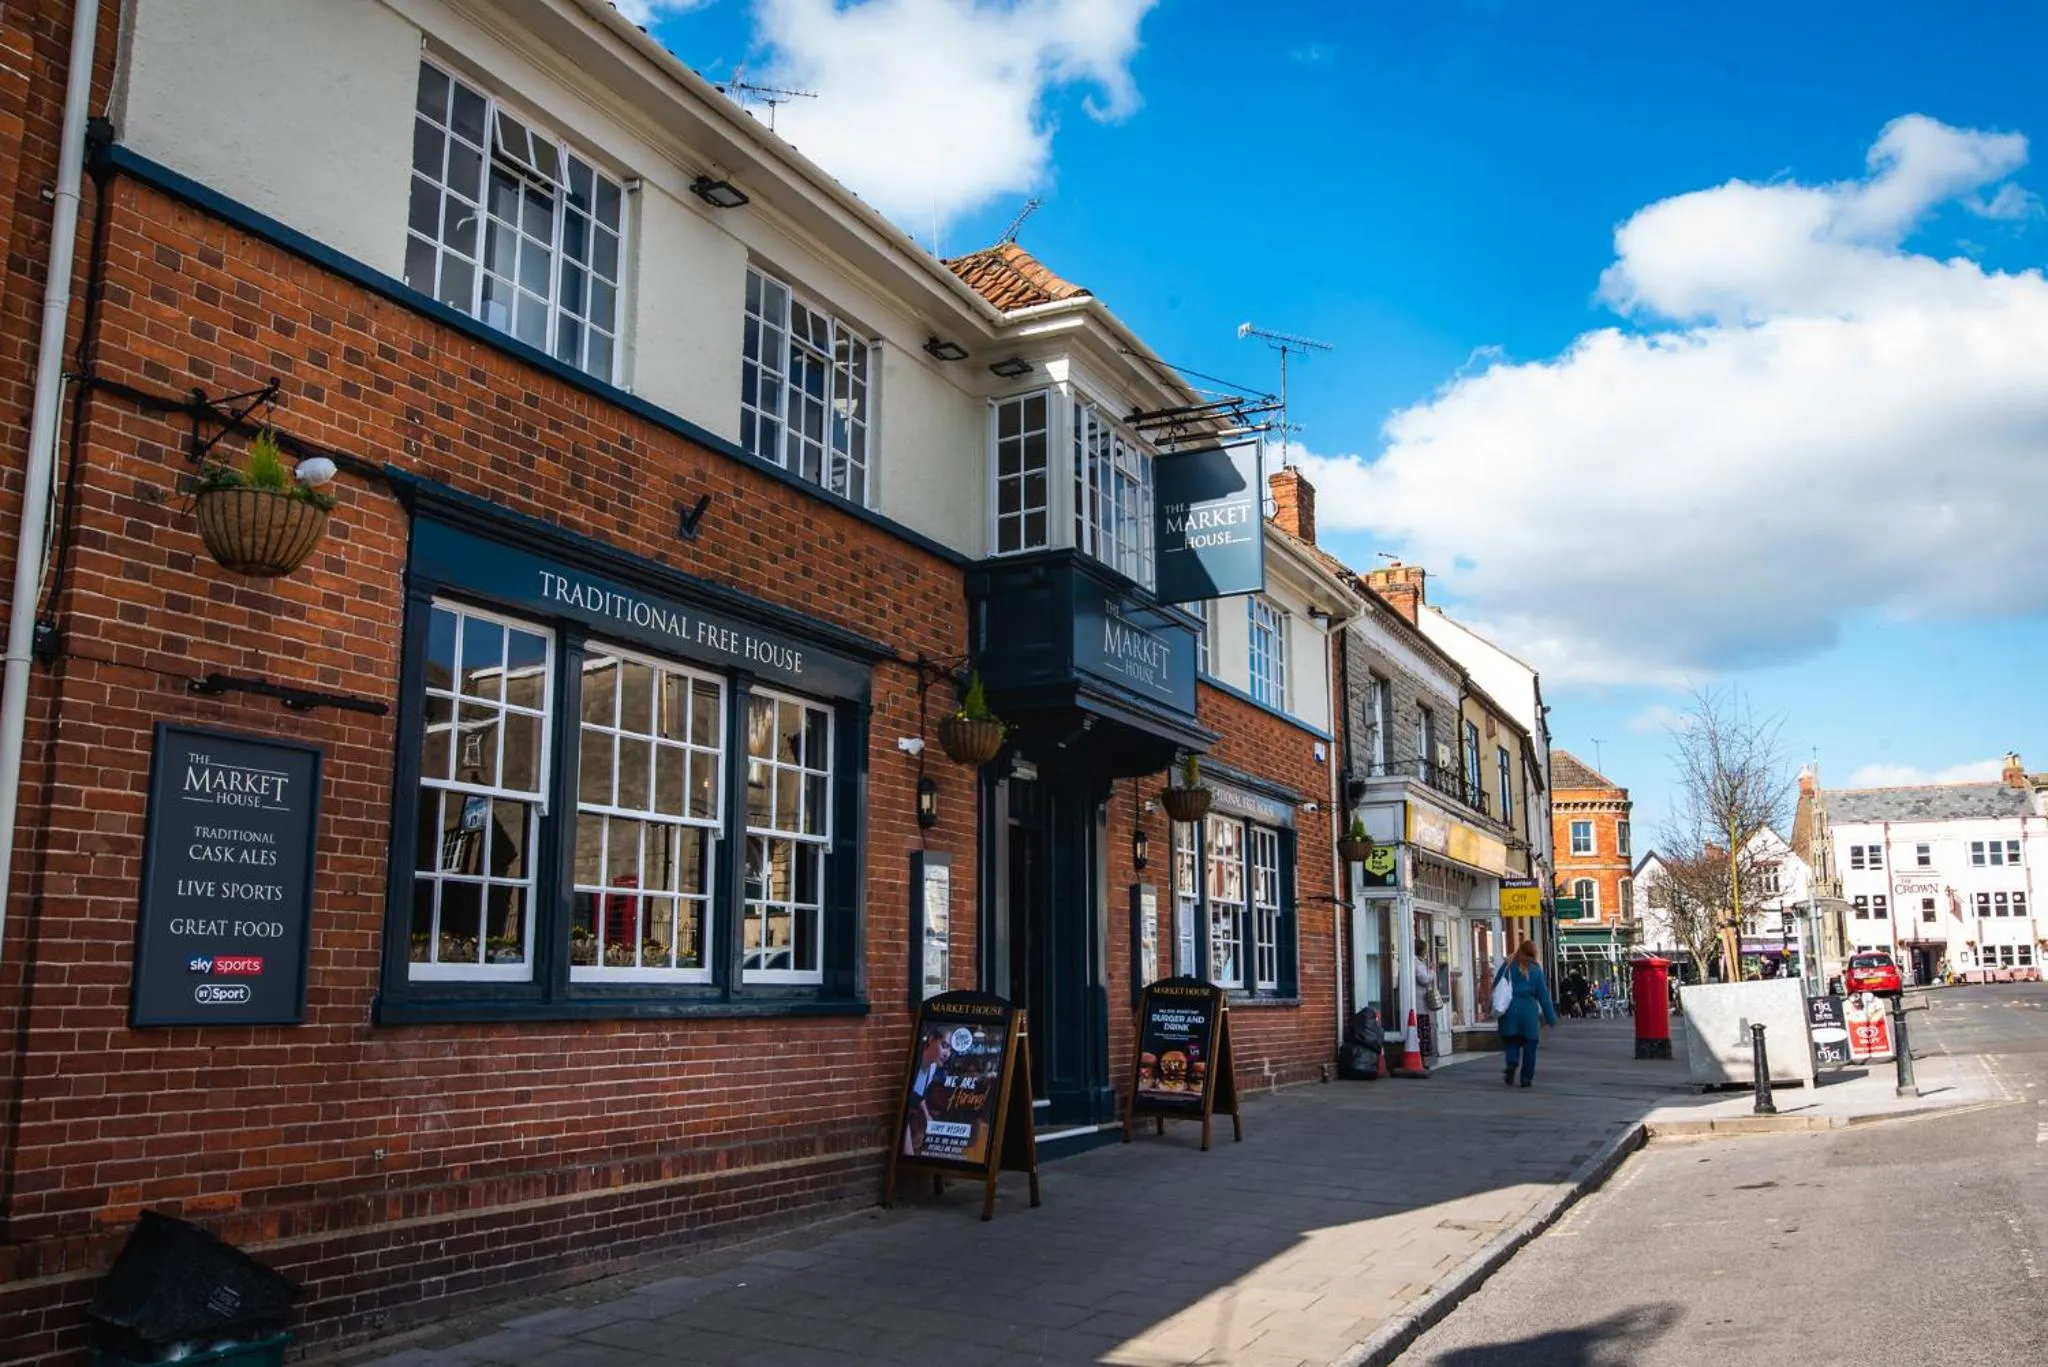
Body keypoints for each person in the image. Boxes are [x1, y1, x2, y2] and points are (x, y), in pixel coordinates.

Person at [1493, 941, 1559, 1088]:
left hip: (1509, 1011)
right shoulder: (1536, 970)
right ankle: (1526, 1078)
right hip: (1528, 1014)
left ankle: (1511, 1063)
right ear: (1533, 953)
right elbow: (1543, 996)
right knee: (1530, 1046)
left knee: (1511, 1041)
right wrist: (1551, 1017)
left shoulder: (1508, 965)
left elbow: (1496, 984)